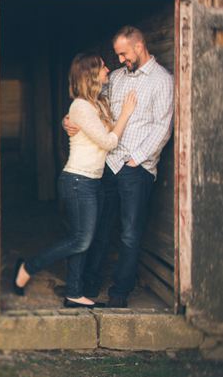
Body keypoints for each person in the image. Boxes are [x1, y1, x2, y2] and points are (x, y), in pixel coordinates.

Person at [13, 52, 137, 308]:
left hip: (92, 181)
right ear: (92, 74)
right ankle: (28, 266)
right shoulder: (80, 106)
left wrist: (65, 121)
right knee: (81, 239)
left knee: (82, 238)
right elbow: (108, 142)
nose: (107, 70)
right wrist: (126, 113)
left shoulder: (97, 104)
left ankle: (74, 292)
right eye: (103, 67)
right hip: (77, 182)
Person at [63, 26, 174, 308]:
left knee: (129, 232)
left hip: (136, 168)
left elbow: (163, 126)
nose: (120, 59)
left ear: (138, 47)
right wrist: (69, 118)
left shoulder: (162, 81)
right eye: (117, 55)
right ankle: (88, 284)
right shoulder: (116, 78)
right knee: (99, 226)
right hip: (108, 163)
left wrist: (137, 158)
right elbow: (90, 101)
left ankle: (120, 291)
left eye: (123, 54)